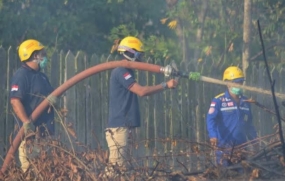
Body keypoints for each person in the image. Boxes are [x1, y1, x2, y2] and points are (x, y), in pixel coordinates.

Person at [104, 36, 178, 177]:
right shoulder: (121, 71)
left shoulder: (127, 71)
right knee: (114, 170)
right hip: (119, 128)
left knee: (123, 170)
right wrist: (165, 85)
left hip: (125, 127)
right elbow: (142, 91)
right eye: (139, 55)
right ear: (131, 53)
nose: (141, 59)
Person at [10, 39, 56, 172]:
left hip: (45, 135)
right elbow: (15, 101)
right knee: (32, 173)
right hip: (30, 138)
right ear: (35, 55)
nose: (45, 56)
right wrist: (27, 124)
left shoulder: (41, 76)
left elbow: (51, 95)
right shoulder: (21, 75)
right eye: (43, 53)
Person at [206, 66, 257, 166]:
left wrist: (255, 140)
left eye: (241, 82)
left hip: (242, 148)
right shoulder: (219, 101)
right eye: (236, 82)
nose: (239, 85)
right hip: (224, 149)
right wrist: (213, 135)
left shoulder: (246, 102)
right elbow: (210, 119)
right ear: (228, 83)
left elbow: (249, 124)